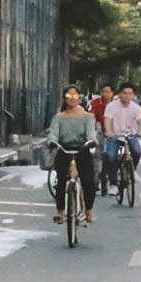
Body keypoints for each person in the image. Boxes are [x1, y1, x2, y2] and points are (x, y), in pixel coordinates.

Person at [45, 87, 97, 222]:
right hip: (64, 150)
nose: (72, 99)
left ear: (79, 98)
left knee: (89, 182)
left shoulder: (88, 117)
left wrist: (91, 141)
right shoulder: (59, 117)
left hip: (82, 151)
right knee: (61, 180)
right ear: (64, 98)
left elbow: (91, 133)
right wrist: (52, 141)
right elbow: (53, 133)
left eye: (75, 96)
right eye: (69, 96)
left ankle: (89, 210)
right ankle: (60, 211)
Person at [100, 82, 141, 196]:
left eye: (130, 93)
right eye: (124, 93)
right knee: (111, 156)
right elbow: (107, 120)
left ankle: (132, 171)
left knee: (137, 151)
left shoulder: (136, 107)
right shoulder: (111, 106)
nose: (127, 96)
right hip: (115, 136)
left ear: (133, 95)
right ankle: (113, 184)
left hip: (130, 135)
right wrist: (109, 132)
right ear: (119, 94)